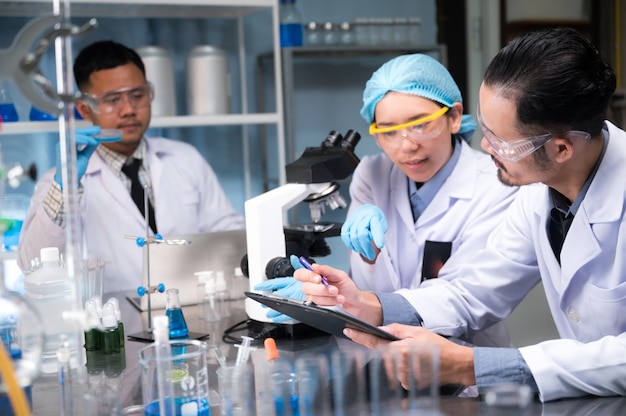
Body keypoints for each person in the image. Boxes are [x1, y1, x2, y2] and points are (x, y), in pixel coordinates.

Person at [295, 27, 626, 402]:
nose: (485, 146)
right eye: (485, 129)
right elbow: (476, 289)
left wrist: (469, 364)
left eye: (500, 140)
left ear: (561, 149)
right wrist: (368, 305)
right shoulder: (538, 193)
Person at [257, 53, 518, 347]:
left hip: (465, 363)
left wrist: (360, 302)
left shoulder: (495, 185)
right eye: (389, 131)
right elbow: (365, 290)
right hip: (381, 356)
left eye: (420, 124)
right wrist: (332, 290)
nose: (406, 145)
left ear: (454, 117)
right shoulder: (371, 173)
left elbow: (467, 298)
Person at [17, 40, 244, 292]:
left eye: (137, 96)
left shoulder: (185, 158)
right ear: (84, 109)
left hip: (192, 311)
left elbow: (229, 233)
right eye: (113, 100)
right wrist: (65, 189)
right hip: (113, 323)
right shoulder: (60, 182)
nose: (128, 110)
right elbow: (31, 264)